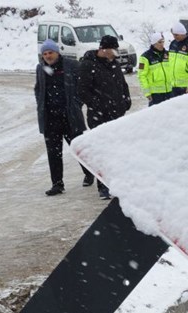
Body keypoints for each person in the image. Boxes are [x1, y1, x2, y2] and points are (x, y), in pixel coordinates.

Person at [77, 34, 131, 199]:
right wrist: (99, 105)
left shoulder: (113, 64)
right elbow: (82, 91)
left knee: (116, 152)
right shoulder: (87, 65)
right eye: (113, 49)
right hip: (98, 116)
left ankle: (116, 184)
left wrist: (125, 100)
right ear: (104, 49)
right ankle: (103, 186)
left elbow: (122, 84)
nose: (116, 53)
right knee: (102, 152)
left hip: (116, 115)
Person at [34, 39, 90, 196]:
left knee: (78, 147)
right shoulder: (41, 68)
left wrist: (77, 103)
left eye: (50, 52)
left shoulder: (71, 65)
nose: (47, 56)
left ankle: (89, 173)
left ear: (57, 52)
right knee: (53, 152)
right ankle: (57, 184)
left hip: (69, 116)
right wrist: (41, 104)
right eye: (44, 54)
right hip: (50, 118)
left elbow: (82, 86)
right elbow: (38, 89)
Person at [167, 22, 188, 98]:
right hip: (173, 86)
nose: (174, 37)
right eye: (173, 35)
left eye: (176, 35)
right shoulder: (173, 44)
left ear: (183, 33)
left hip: (186, 87)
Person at [138, 32, 173, 105]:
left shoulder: (168, 54)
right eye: (159, 42)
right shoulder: (145, 57)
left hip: (169, 91)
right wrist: (147, 92)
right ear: (154, 43)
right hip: (155, 94)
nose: (162, 44)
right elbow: (141, 76)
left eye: (163, 42)